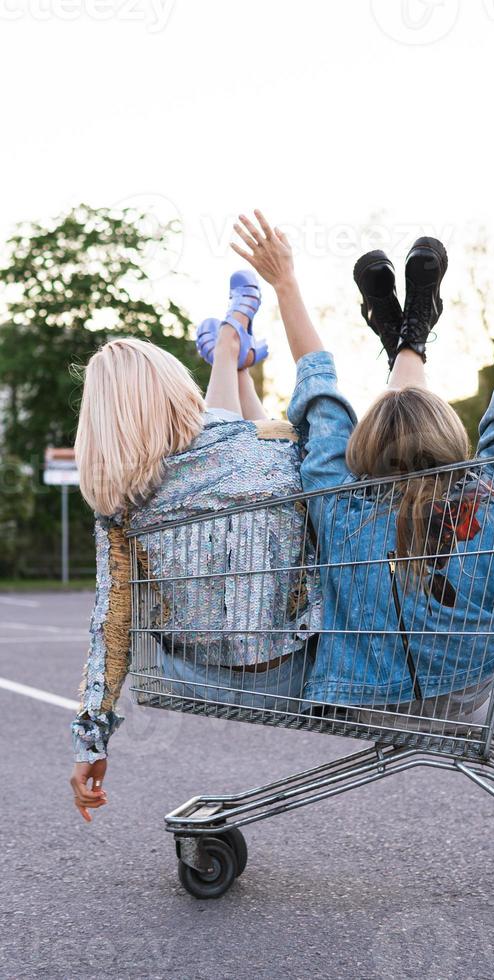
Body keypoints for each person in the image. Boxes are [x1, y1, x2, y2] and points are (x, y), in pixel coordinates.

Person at [225, 194, 494, 723]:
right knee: (410, 423)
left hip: (364, 698)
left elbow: (323, 401)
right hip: (466, 687)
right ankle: (410, 337)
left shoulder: (342, 506)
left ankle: (407, 341)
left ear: (363, 452)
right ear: (450, 437)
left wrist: (284, 283)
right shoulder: (492, 501)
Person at [69, 271, 320, 821]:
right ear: (175, 390)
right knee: (245, 433)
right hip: (296, 665)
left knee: (231, 431)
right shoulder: (268, 449)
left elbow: (112, 623)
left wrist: (92, 741)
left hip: (198, 673)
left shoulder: (120, 504)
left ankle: (231, 350)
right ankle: (230, 352)